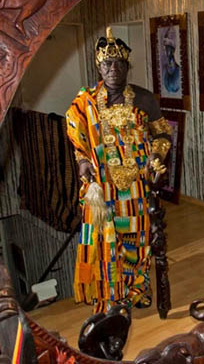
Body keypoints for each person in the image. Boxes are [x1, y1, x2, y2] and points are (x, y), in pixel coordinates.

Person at [66, 27, 172, 314]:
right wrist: (83, 161)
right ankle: (113, 297)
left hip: (136, 186)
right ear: (99, 68)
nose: (113, 69)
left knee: (138, 241)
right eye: (107, 64)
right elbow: (78, 138)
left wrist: (156, 155)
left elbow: (163, 134)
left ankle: (138, 290)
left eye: (119, 64)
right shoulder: (85, 103)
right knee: (108, 245)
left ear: (127, 66)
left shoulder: (144, 98)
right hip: (104, 186)